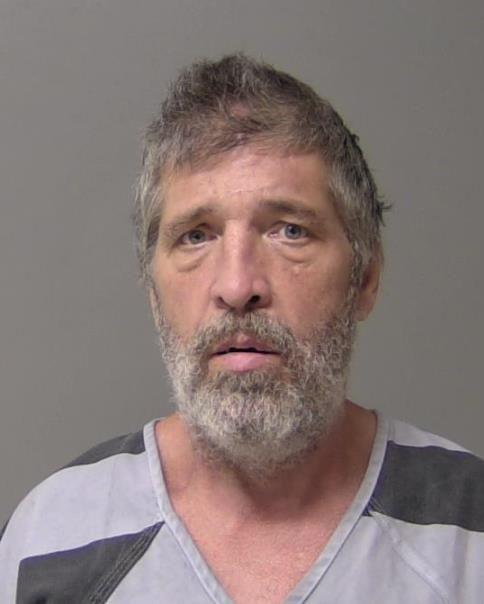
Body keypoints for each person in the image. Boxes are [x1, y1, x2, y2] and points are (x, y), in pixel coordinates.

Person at [1, 53, 483, 604]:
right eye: (196, 236)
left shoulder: (469, 538)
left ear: (365, 278)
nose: (237, 286)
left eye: (289, 231)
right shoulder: (47, 542)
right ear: (154, 292)